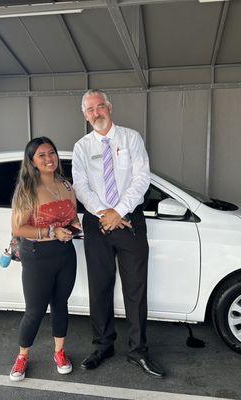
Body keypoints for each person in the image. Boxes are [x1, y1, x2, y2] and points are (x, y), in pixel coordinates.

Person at [72, 89, 165, 378]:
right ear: (85, 115)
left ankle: (138, 350)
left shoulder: (131, 138)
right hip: (97, 223)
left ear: (109, 107)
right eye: (90, 110)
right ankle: (103, 345)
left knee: (135, 289)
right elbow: (81, 186)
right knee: (99, 287)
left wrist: (119, 212)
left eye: (100, 107)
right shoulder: (81, 147)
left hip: (129, 221)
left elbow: (142, 179)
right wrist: (105, 214)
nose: (96, 113)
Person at [9, 136, 81, 381]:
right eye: (42, 155)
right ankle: (22, 357)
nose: (49, 158)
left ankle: (59, 352)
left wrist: (72, 228)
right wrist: (52, 232)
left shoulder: (66, 185)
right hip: (37, 257)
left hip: (65, 255)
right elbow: (18, 228)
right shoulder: (27, 189)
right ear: (32, 161)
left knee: (61, 304)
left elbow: (73, 219)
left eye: (52, 153)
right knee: (35, 311)